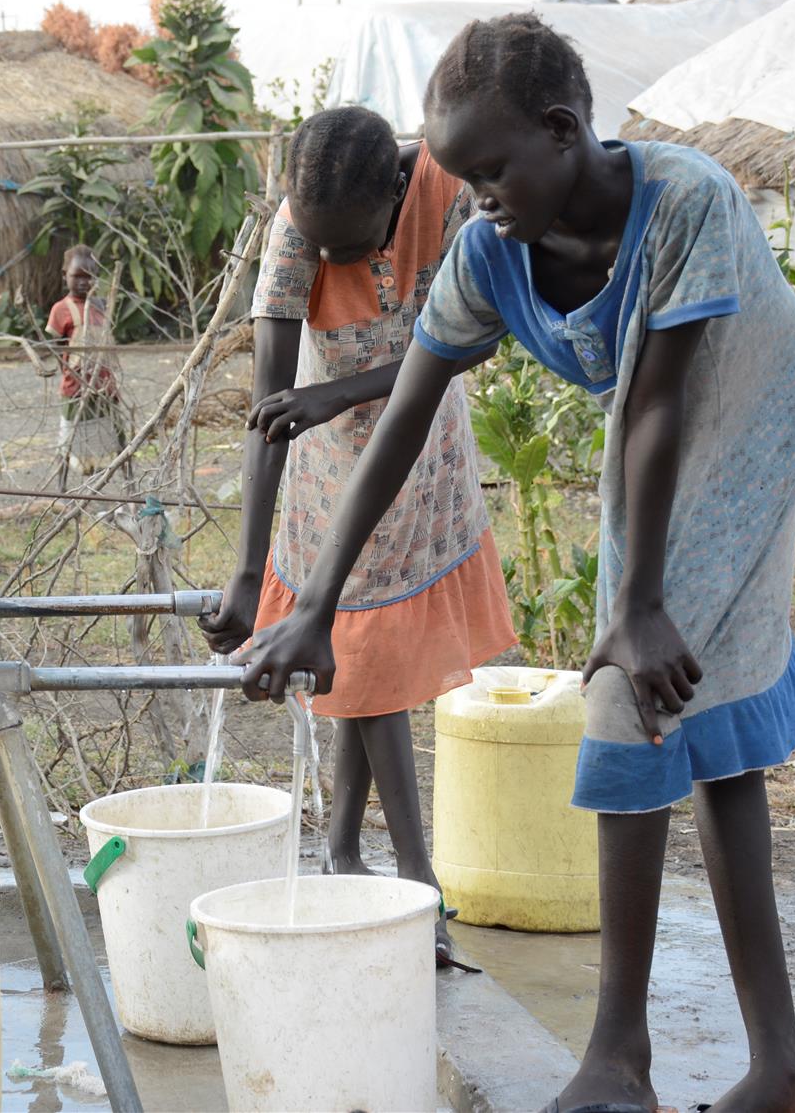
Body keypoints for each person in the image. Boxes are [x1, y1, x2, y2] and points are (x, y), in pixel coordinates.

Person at [243, 14, 795, 1113]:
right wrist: (314, 603)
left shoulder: (686, 202)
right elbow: (401, 419)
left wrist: (639, 602)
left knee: (627, 691)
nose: (472, 197)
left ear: (563, 131)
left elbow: (659, 409)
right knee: (701, 711)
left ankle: (617, 1061)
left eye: (490, 170)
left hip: (745, 400)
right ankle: (782, 1073)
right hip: (657, 431)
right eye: (458, 177)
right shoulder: (487, 251)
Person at [199, 105, 515, 967]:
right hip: (329, 477)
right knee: (363, 660)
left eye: (352, 243)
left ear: (395, 186)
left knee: (375, 664)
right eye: (320, 243)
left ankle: (371, 862)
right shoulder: (297, 227)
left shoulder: (449, 193)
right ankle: (406, 878)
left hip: (425, 455)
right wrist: (245, 569)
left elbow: (476, 337)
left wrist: (339, 391)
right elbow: (271, 411)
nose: (332, 259)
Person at [44, 244, 128, 483]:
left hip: (105, 387)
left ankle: (130, 488)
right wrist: (74, 375)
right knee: (68, 439)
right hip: (76, 388)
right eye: (77, 277)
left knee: (118, 438)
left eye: (89, 277)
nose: (83, 282)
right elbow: (59, 349)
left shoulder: (102, 306)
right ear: (64, 276)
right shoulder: (61, 310)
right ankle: (60, 492)